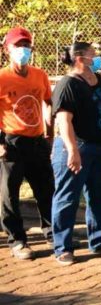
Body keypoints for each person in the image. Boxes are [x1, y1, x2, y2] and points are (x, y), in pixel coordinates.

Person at [50, 42, 101, 265]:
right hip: (76, 147)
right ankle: (63, 247)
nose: (97, 58)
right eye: (93, 55)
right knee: (67, 197)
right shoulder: (67, 84)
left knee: (97, 196)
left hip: (99, 147)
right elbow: (64, 120)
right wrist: (72, 151)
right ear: (80, 58)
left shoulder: (99, 80)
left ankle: (98, 239)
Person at [0, 27, 54, 260]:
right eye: (17, 46)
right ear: (7, 50)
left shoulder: (39, 74)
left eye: (26, 46)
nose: (23, 50)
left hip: (37, 140)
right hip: (11, 142)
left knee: (46, 189)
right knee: (9, 194)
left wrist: (50, 133)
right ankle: (18, 240)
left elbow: (49, 102)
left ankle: (53, 233)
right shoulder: (2, 77)